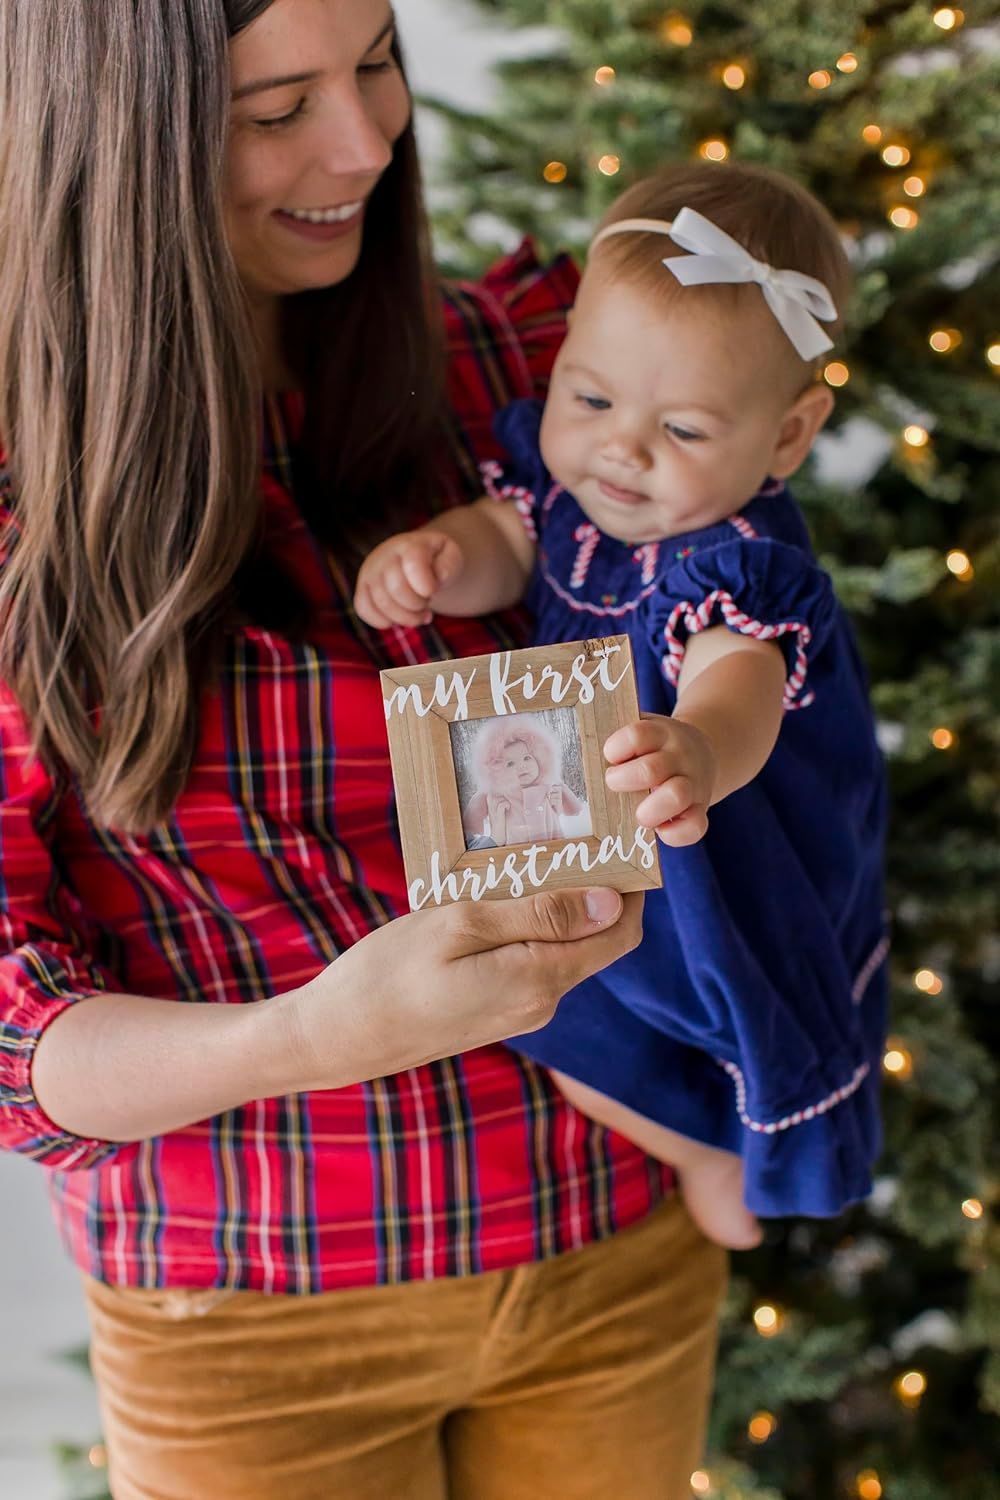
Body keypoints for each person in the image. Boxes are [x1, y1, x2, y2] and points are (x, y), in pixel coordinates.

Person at [0, 5, 728, 1498]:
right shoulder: (28, 501)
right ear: (114, 141)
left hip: (621, 1250)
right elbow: (16, 1040)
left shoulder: (536, 373)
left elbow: (754, 607)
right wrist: (312, 1038)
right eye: (276, 110)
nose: (365, 147)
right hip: (250, 1311)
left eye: (379, 63)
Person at [356, 161, 890, 1252]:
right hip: (588, 816)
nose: (622, 448)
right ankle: (695, 1145)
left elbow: (737, 681)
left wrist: (699, 748)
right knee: (568, 1023)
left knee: (697, 1004)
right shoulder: (567, 498)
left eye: (683, 430)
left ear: (787, 437)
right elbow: (507, 547)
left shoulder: (737, 560)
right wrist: (437, 560)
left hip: (709, 840)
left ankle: (718, 1152)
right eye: (591, 399)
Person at [462, 717, 584, 847]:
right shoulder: (495, 795)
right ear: (497, 770)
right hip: (514, 855)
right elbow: (470, 824)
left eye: (527, 758)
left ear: (540, 758)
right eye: (510, 763)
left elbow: (575, 809)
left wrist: (562, 799)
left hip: (554, 850)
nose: (522, 766)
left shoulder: (550, 786)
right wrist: (473, 828)